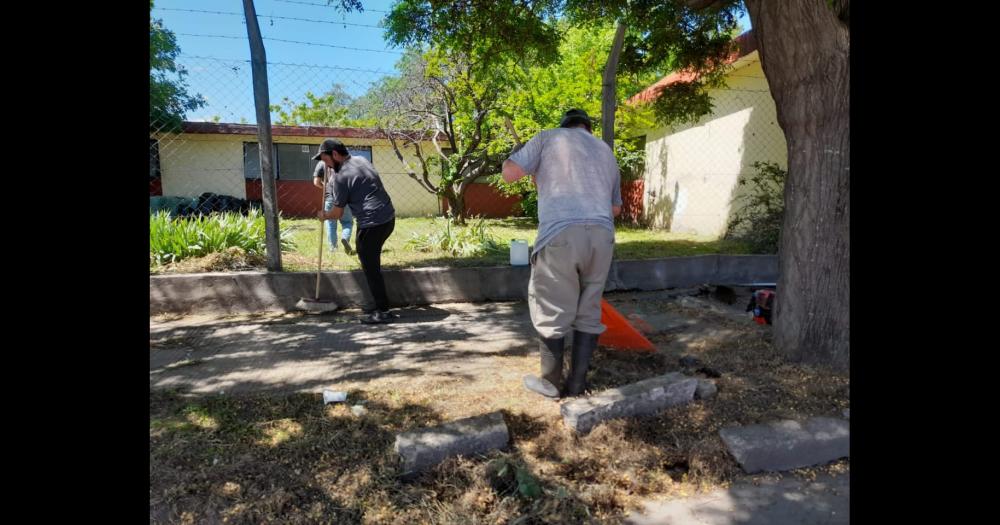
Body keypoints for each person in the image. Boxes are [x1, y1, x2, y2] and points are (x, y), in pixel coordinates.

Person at [501, 109, 622, 398]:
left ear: (564, 126)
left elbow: (509, 174)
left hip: (561, 235)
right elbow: (615, 208)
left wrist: (516, 154)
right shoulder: (605, 151)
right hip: (602, 236)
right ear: (588, 128)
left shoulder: (547, 138)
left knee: (552, 307)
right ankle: (578, 384)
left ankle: (552, 384)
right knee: (589, 310)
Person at [314, 138, 398, 324]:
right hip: (388, 217)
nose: (325, 165)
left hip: (372, 223)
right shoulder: (362, 160)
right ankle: (379, 302)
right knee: (368, 256)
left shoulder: (340, 178)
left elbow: (337, 213)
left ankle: (383, 310)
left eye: (326, 160)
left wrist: (324, 215)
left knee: (370, 266)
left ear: (335, 155)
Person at [312, 160, 354, 254]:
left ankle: (333, 249)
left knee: (331, 225)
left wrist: (326, 187)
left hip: (330, 198)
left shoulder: (322, 163)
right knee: (347, 222)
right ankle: (345, 238)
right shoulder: (344, 162)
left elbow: (316, 182)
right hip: (344, 197)